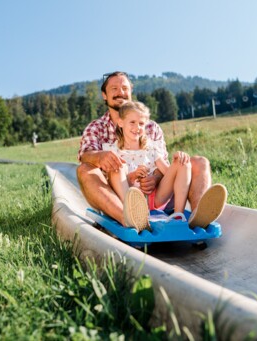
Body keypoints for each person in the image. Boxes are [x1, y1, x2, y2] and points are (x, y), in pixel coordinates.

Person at [77, 71, 227, 229]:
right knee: (85, 169)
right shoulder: (96, 128)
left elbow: (165, 167)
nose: (120, 92)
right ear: (104, 95)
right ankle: (128, 217)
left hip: (157, 195)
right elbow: (85, 155)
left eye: (124, 88)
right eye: (114, 88)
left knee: (199, 162)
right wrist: (100, 156)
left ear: (131, 91)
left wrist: (154, 178)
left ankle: (198, 215)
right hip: (118, 194)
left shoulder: (150, 127)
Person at [105, 100, 192, 231]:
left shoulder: (151, 148)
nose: (137, 127)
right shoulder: (113, 151)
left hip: (154, 198)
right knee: (118, 168)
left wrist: (178, 160)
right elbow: (112, 184)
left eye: (141, 123)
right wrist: (133, 176)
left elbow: (169, 173)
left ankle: (178, 217)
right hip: (129, 199)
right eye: (132, 122)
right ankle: (132, 215)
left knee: (183, 163)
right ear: (121, 122)